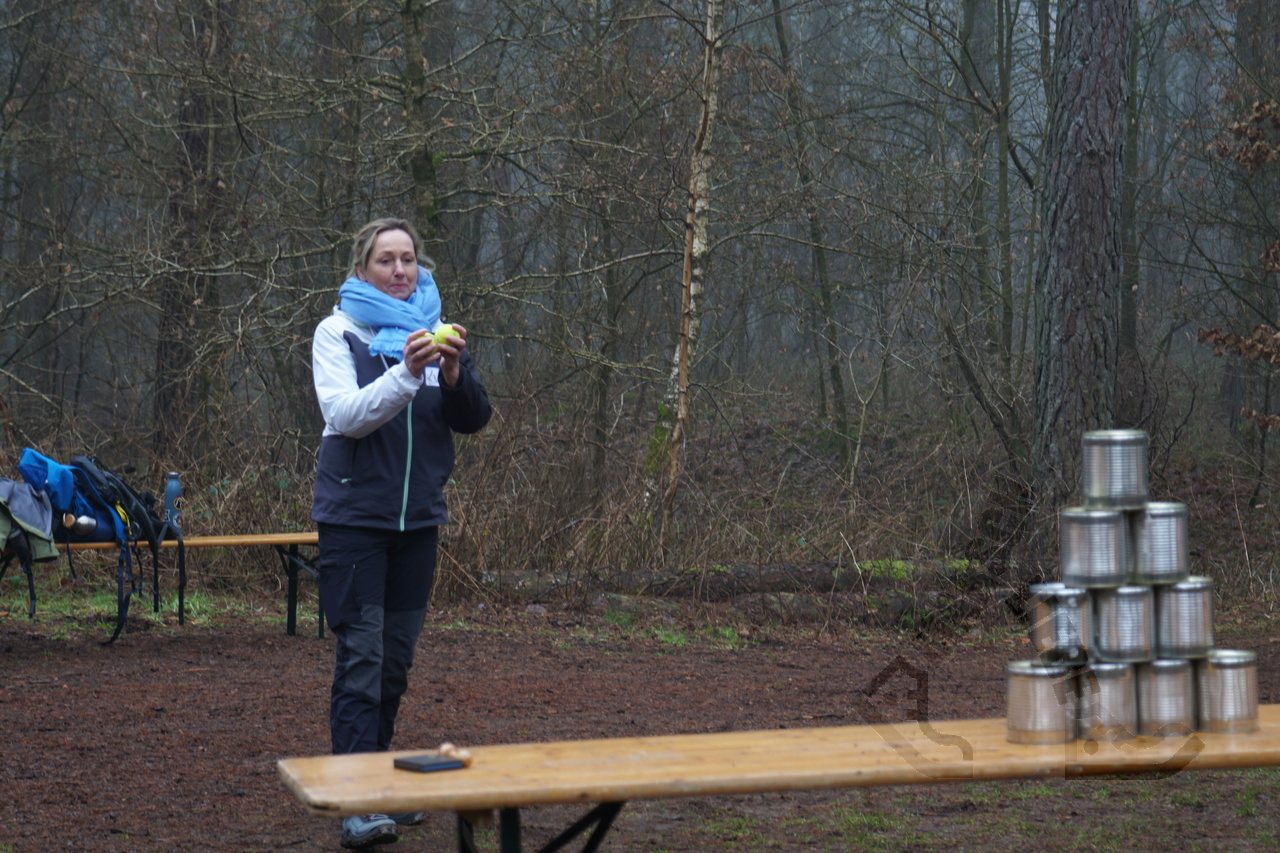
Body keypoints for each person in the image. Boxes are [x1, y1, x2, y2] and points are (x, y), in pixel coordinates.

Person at [311, 217, 492, 848]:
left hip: (417, 524)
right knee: (361, 660)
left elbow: (474, 418)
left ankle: (380, 784)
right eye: (385, 260)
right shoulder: (339, 332)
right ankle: (356, 800)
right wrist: (406, 374)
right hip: (353, 523)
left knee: (393, 663)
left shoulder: (435, 329)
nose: (399, 270)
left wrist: (453, 375)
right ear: (362, 270)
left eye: (408, 259)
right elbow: (345, 415)